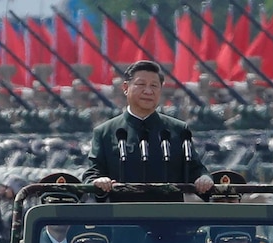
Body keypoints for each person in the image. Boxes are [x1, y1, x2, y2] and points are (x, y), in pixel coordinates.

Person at [83, 60, 214, 193]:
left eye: (154, 86)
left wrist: (203, 179)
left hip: (169, 210)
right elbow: (92, 173)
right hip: (121, 211)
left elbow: (195, 169)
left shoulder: (178, 129)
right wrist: (99, 181)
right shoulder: (106, 132)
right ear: (125, 88)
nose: (148, 91)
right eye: (141, 84)